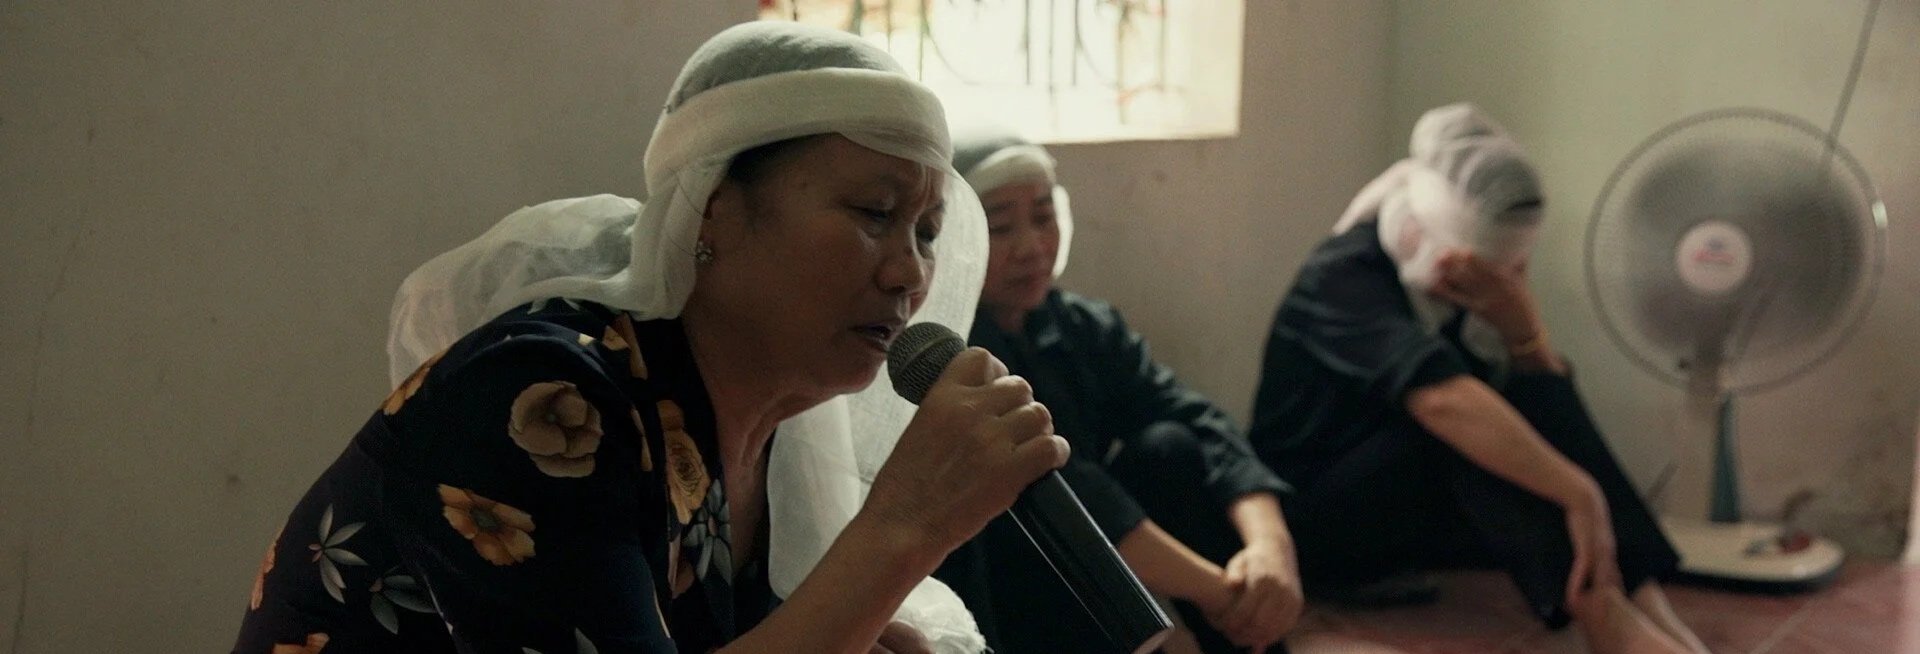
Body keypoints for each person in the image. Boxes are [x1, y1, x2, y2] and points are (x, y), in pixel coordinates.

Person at [234, 22, 1070, 653]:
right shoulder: (543, 394)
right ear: (714, 208)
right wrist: (907, 525)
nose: (907, 274)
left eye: (927, 231)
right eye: (874, 214)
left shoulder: (761, 432)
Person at [1246, 103, 1710, 654]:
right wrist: (1576, 491)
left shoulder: (1464, 285)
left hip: (1412, 515)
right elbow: (1444, 404)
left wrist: (1526, 333)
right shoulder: (1341, 277)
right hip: (1320, 520)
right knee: (1464, 419)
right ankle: (1604, 613)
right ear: (1426, 234)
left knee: (1533, 398)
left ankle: (1638, 593)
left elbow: (1538, 401)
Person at [930, 123, 1303, 654]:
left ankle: (1253, 637)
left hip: (1100, 570)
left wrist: (1271, 550)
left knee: (1169, 448)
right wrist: (1222, 594)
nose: (1032, 247)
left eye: (1043, 217)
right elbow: (1065, 487)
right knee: (1042, 471)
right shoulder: (951, 352)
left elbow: (1200, 419)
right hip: (1011, 594)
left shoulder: (1084, 327)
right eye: (1000, 227)